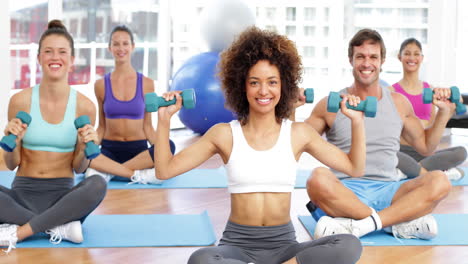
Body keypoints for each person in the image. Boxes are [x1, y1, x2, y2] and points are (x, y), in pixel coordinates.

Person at [154, 27, 363, 264]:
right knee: (201, 259)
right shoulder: (224, 134)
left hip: (285, 249)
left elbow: (354, 168)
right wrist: (163, 120)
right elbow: (164, 170)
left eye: (272, 82)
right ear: (242, 86)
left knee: (349, 244)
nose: (264, 91)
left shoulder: (298, 133)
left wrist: (357, 121)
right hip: (237, 247)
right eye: (255, 82)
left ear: (283, 85)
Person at [305, 28, 453, 241]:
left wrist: (444, 113)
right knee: (316, 178)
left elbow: (426, 147)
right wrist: (289, 107)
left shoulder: (399, 103)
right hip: (345, 192)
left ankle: (359, 224)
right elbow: (296, 142)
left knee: (441, 180)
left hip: (390, 191)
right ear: (350, 60)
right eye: (360, 57)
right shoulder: (331, 104)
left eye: (373, 57)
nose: (367, 63)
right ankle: (395, 224)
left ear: (382, 60)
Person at [0, 20, 107, 253]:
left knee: (98, 183)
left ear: (71, 59)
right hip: (21, 194)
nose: (54, 57)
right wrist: (13, 142)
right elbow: (11, 164)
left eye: (62, 52)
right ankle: (57, 228)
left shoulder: (84, 106)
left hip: (63, 199)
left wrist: (83, 148)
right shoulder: (20, 101)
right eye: (48, 51)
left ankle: (20, 231)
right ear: (39, 58)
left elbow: (80, 169)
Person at [84, 25, 175, 184]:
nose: (121, 48)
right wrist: (88, 147)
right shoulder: (100, 85)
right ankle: (136, 175)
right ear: (110, 48)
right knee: (82, 152)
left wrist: (162, 150)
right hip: (109, 150)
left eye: (125, 43)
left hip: (138, 152)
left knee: (169, 146)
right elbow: (102, 126)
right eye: (116, 44)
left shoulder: (146, 84)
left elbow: (147, 126)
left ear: (132, 47)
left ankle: (111, 172)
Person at [390, 38, 466, 180]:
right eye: (407, 53)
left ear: (422, 58)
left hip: (425, 152)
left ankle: (410, 171)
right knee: (388, 154)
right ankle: (437, 172)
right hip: (402, 150)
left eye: (416, 54)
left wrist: (449, 109)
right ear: (399, 57)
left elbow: (433, 126)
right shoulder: (392, 92)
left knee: (461, 152)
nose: (412, 58)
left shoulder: (430, 90)